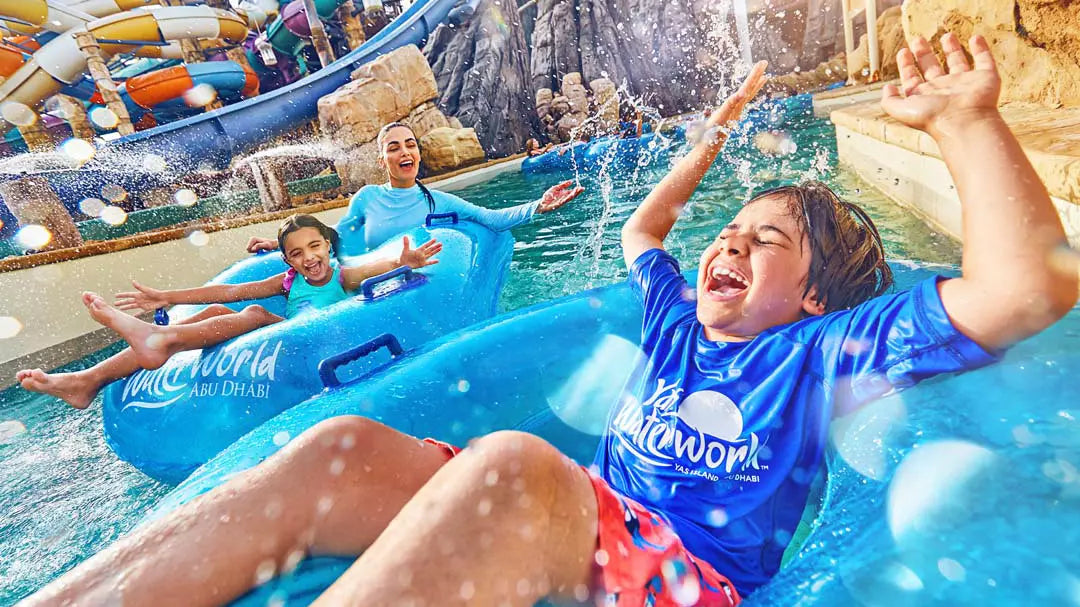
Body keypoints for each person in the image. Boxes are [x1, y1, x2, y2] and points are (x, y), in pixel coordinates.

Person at [23, 35, 1076, 606]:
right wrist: (704, 152)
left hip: (683, 581)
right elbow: (649, 232)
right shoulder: (672, 317)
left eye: (769, 243)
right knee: (339, 444)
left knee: (518, 465)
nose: (733, 246)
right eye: (734, 232)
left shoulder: (821, 348)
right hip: (589, 529)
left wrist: (968, 122)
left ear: (812, 294)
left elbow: (1028, 289)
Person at [16, 214, 441, 410]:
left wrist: (405, 263)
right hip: (290, 336)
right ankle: (87, 380)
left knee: (254, 312)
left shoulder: (342, 275)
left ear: (328, 245)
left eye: (315, 247)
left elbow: (373, 269)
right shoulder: (287, 282)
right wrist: (168, 298)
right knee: (227, 307)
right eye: (296, 253)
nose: (308, 258)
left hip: (320, 340)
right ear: (288, 261)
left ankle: (157, 341)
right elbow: (230, 289)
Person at [246, 122, 584, 256]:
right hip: (372, 289)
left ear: (418, 154)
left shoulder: (436, 201)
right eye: (393, 148)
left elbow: (492, 218)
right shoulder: (367, 198)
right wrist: (279, 245)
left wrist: (538, 204)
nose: (404, 152)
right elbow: (335, 236)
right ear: (382, 160)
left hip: (415, 288)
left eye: (410, 145)